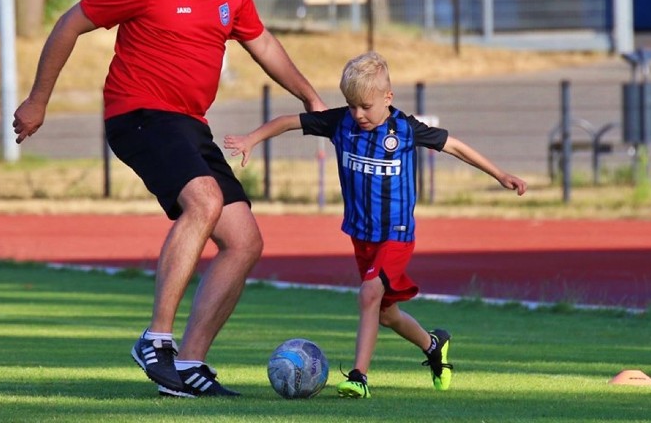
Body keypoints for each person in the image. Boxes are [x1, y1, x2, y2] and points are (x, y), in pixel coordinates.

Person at [12, 0, 326, 398]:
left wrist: (310, 96)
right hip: (137, 114)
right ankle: (155, 338)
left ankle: (187, 365)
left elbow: (262, 43)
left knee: (245, 241)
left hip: (188, 124)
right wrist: (37, 100)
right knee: (204, 199)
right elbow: (70, 22)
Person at [224, 51, 527, 399]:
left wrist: (501, 174)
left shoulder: (405, 129)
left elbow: (454, 146)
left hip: (396, 234)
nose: (358, 114)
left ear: (388, 98)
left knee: (369, 294)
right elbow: (288, 121)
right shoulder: (341, 123)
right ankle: (433, 345)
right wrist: (251, 139)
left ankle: (358, 377)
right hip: (361, 235)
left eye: (366, 106)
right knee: (386, 313)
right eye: (352, 105)